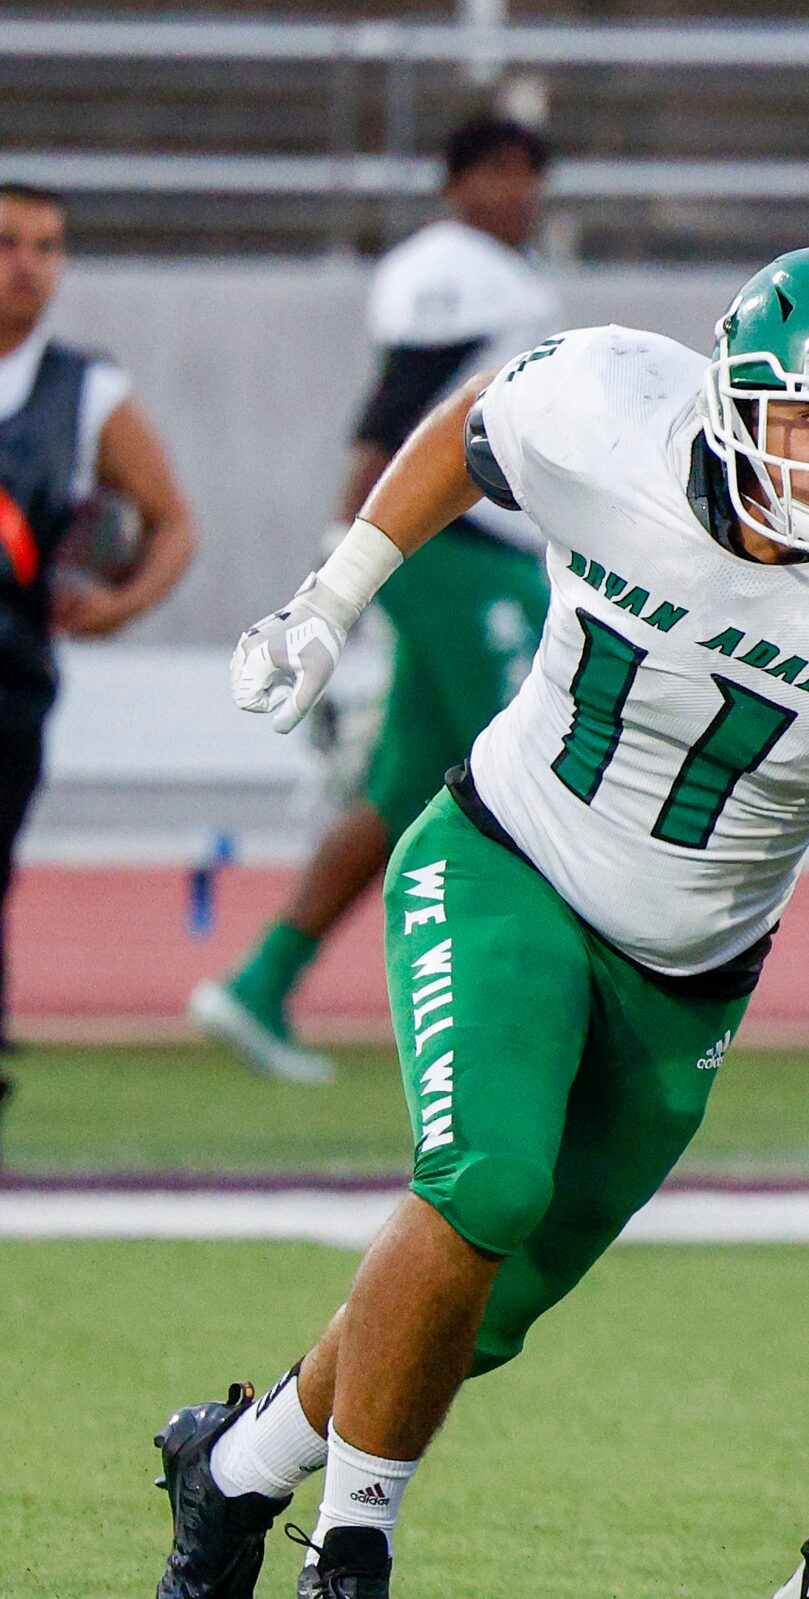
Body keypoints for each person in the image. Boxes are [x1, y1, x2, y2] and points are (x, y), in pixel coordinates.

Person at [150, 247, 809, 1599]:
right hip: (508, 858)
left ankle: (230, 1467)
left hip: (692, 964)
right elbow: (473, 425)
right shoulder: (613, 411)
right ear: (738, 403)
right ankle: (347, 1552)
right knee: (482, 1186)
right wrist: (337, 593)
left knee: (483, 1309)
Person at [193, 116, 562, 1085]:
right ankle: (520, 1012)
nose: (518, 191)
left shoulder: (497, 274)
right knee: (532, 772)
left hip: (470, 549)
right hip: (456, 551)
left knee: (405, 786)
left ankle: (262, 980)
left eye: (529, 174)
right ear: (455, 185)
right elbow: (397, 408)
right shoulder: (454, 268)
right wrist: (351, 549)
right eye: (497, 173)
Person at [0, 180, 195, 1094]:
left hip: (10, 670)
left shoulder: (87, 390)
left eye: (45, 245)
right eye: (7, 242)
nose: (26, 264)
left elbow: (172, 522)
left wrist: (115, 609)